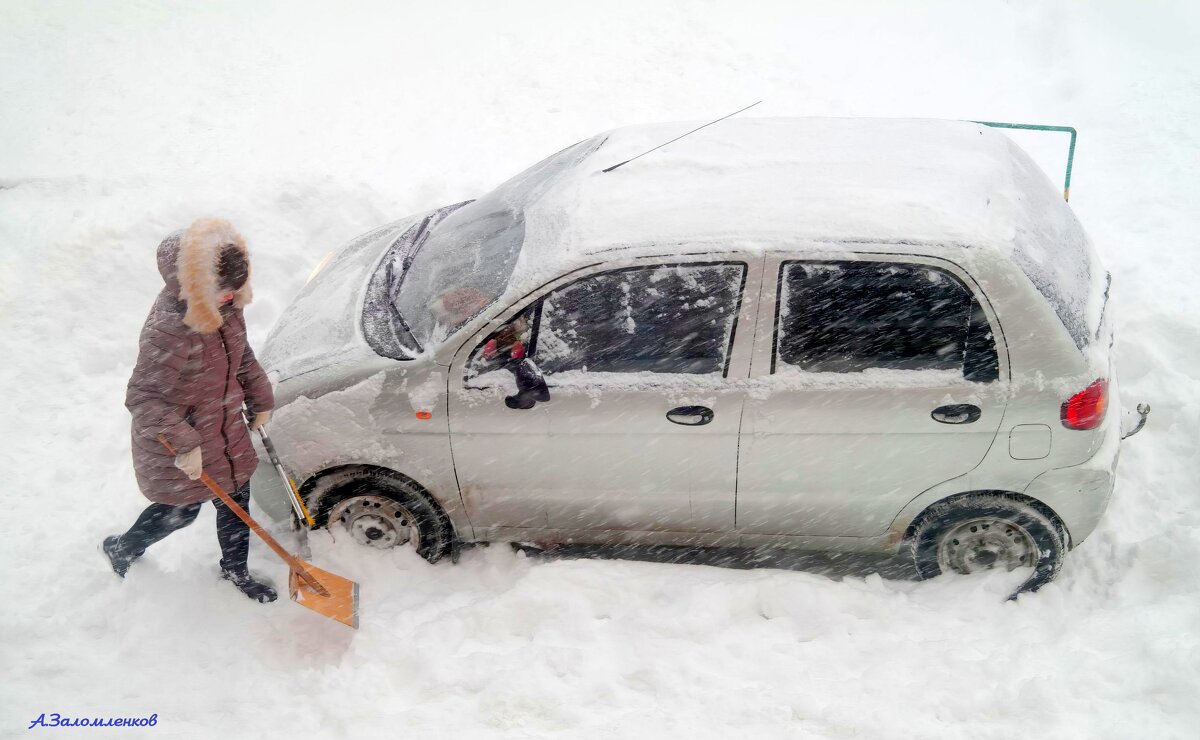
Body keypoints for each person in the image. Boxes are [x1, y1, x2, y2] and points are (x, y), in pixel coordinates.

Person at [101, 218, 278, 603]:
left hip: (225, 429)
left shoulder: (227, 307)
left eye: (235, 292)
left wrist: (260, 399)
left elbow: (241, 356)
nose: (231, 301)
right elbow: (143, 398)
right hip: (181, 442)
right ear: (194, 286)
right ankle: (123, 547)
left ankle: (235, 572)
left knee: (237, 504)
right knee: (181, 512)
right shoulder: (170, 328)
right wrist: (184, 443)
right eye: (223, 294)